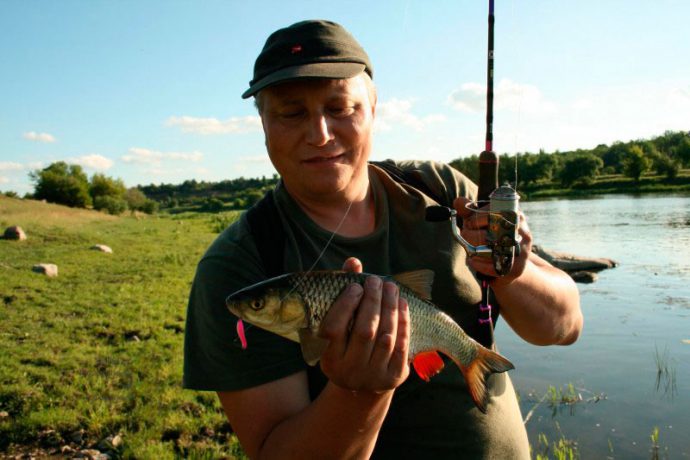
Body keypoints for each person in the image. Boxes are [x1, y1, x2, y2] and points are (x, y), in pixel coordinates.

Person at [183, 19, 582, 459]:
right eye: (292, 112)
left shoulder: (439, 188)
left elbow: (563, 327)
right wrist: (360, 391)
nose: (319, 134)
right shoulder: (239, 265)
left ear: (372, 108)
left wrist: (510, 272)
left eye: (340, 108)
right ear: (263, 122)